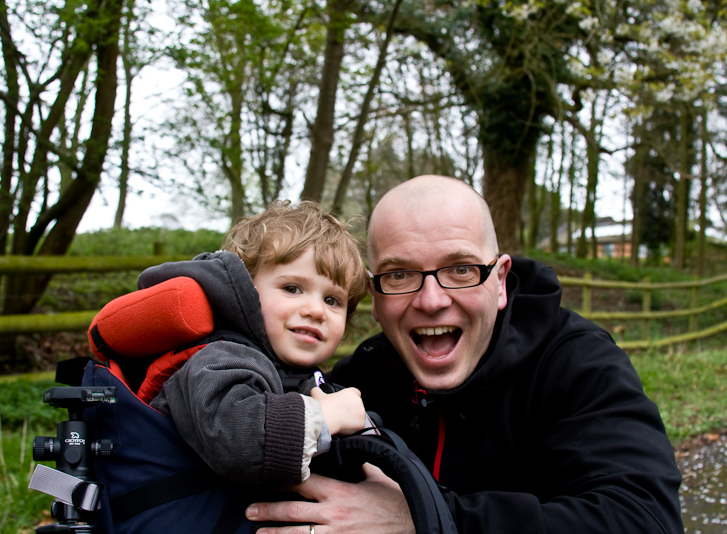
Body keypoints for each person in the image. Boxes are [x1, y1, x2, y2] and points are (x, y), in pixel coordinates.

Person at [245, 175, 684, 533]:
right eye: (400, 274)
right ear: (374, 295)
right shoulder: (356, 383)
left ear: (499, 280)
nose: (432, 300)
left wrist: (424, 520)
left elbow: (644, 519)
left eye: (460, 269)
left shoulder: (577, 365)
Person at [140, 199, 370, 486]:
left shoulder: (297, 375)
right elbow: (235, 440)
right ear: (245, 290)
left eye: (332, 300)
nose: (316, 311)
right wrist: (325, 416)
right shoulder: (220, 360)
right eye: (292, 288)